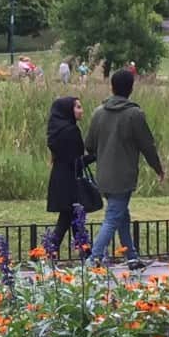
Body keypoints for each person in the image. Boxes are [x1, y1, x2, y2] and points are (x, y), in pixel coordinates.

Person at [85, 67, 168, 269]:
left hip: (103, 175)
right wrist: (158, 168)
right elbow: (147, 145)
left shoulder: (98, 113)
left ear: (112, 87)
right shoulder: (134, 114)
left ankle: (131, 257)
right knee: (113, 216)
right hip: (124, 175)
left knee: (121, 215)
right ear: (131, 88)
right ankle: (93, 259)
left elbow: (89, 145)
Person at [43, 96, 93, 260]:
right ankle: (86, 256)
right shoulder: (71, 131)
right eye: (78, 107)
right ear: (68, 111)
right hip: (70, 180)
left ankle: (85, 255)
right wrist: (94, 156)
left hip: (60, 178)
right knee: (70, 218)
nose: (81, 110)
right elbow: (76, 162)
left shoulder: (56, 130)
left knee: (69, 219)